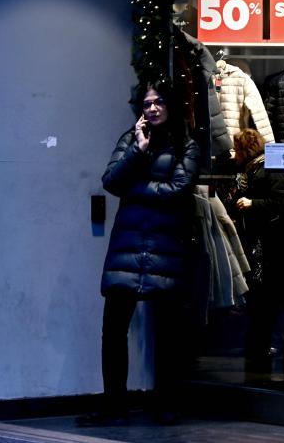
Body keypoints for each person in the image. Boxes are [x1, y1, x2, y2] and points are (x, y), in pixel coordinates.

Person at [76, 81, 200, 426]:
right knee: (113, 329)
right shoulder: (131, 140)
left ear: (171, 106)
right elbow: (111, 181)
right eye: (147, 103)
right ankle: (114, 404)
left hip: (165, 247)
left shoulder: (186, 145)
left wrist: (135, 188)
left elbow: (179, 190)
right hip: (127, 246)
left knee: (166, 333)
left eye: (160, 102)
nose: (153, 108)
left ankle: (165, 404)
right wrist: (139, 152)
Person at [232, 129, 284, 379]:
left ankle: (264, 346)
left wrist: (252, 204)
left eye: (238, 149)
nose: (234, 154)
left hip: (270, 244)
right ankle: (259, 345)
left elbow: (280, 202)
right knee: (261, 297)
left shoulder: (269, 169)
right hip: (260, 244)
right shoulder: (252, 170)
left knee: (267, 297)